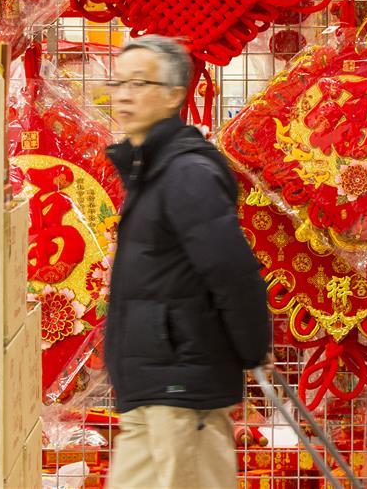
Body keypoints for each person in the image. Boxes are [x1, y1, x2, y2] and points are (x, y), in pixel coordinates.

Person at [104, 35, 271, 488]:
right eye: (118, 82)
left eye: (139, 83)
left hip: (181, 390)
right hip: (149, 390)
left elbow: (232, 269)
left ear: (176, 95)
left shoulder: (185, 172)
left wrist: (254, 347)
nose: (123, 94)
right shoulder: (150, 170)